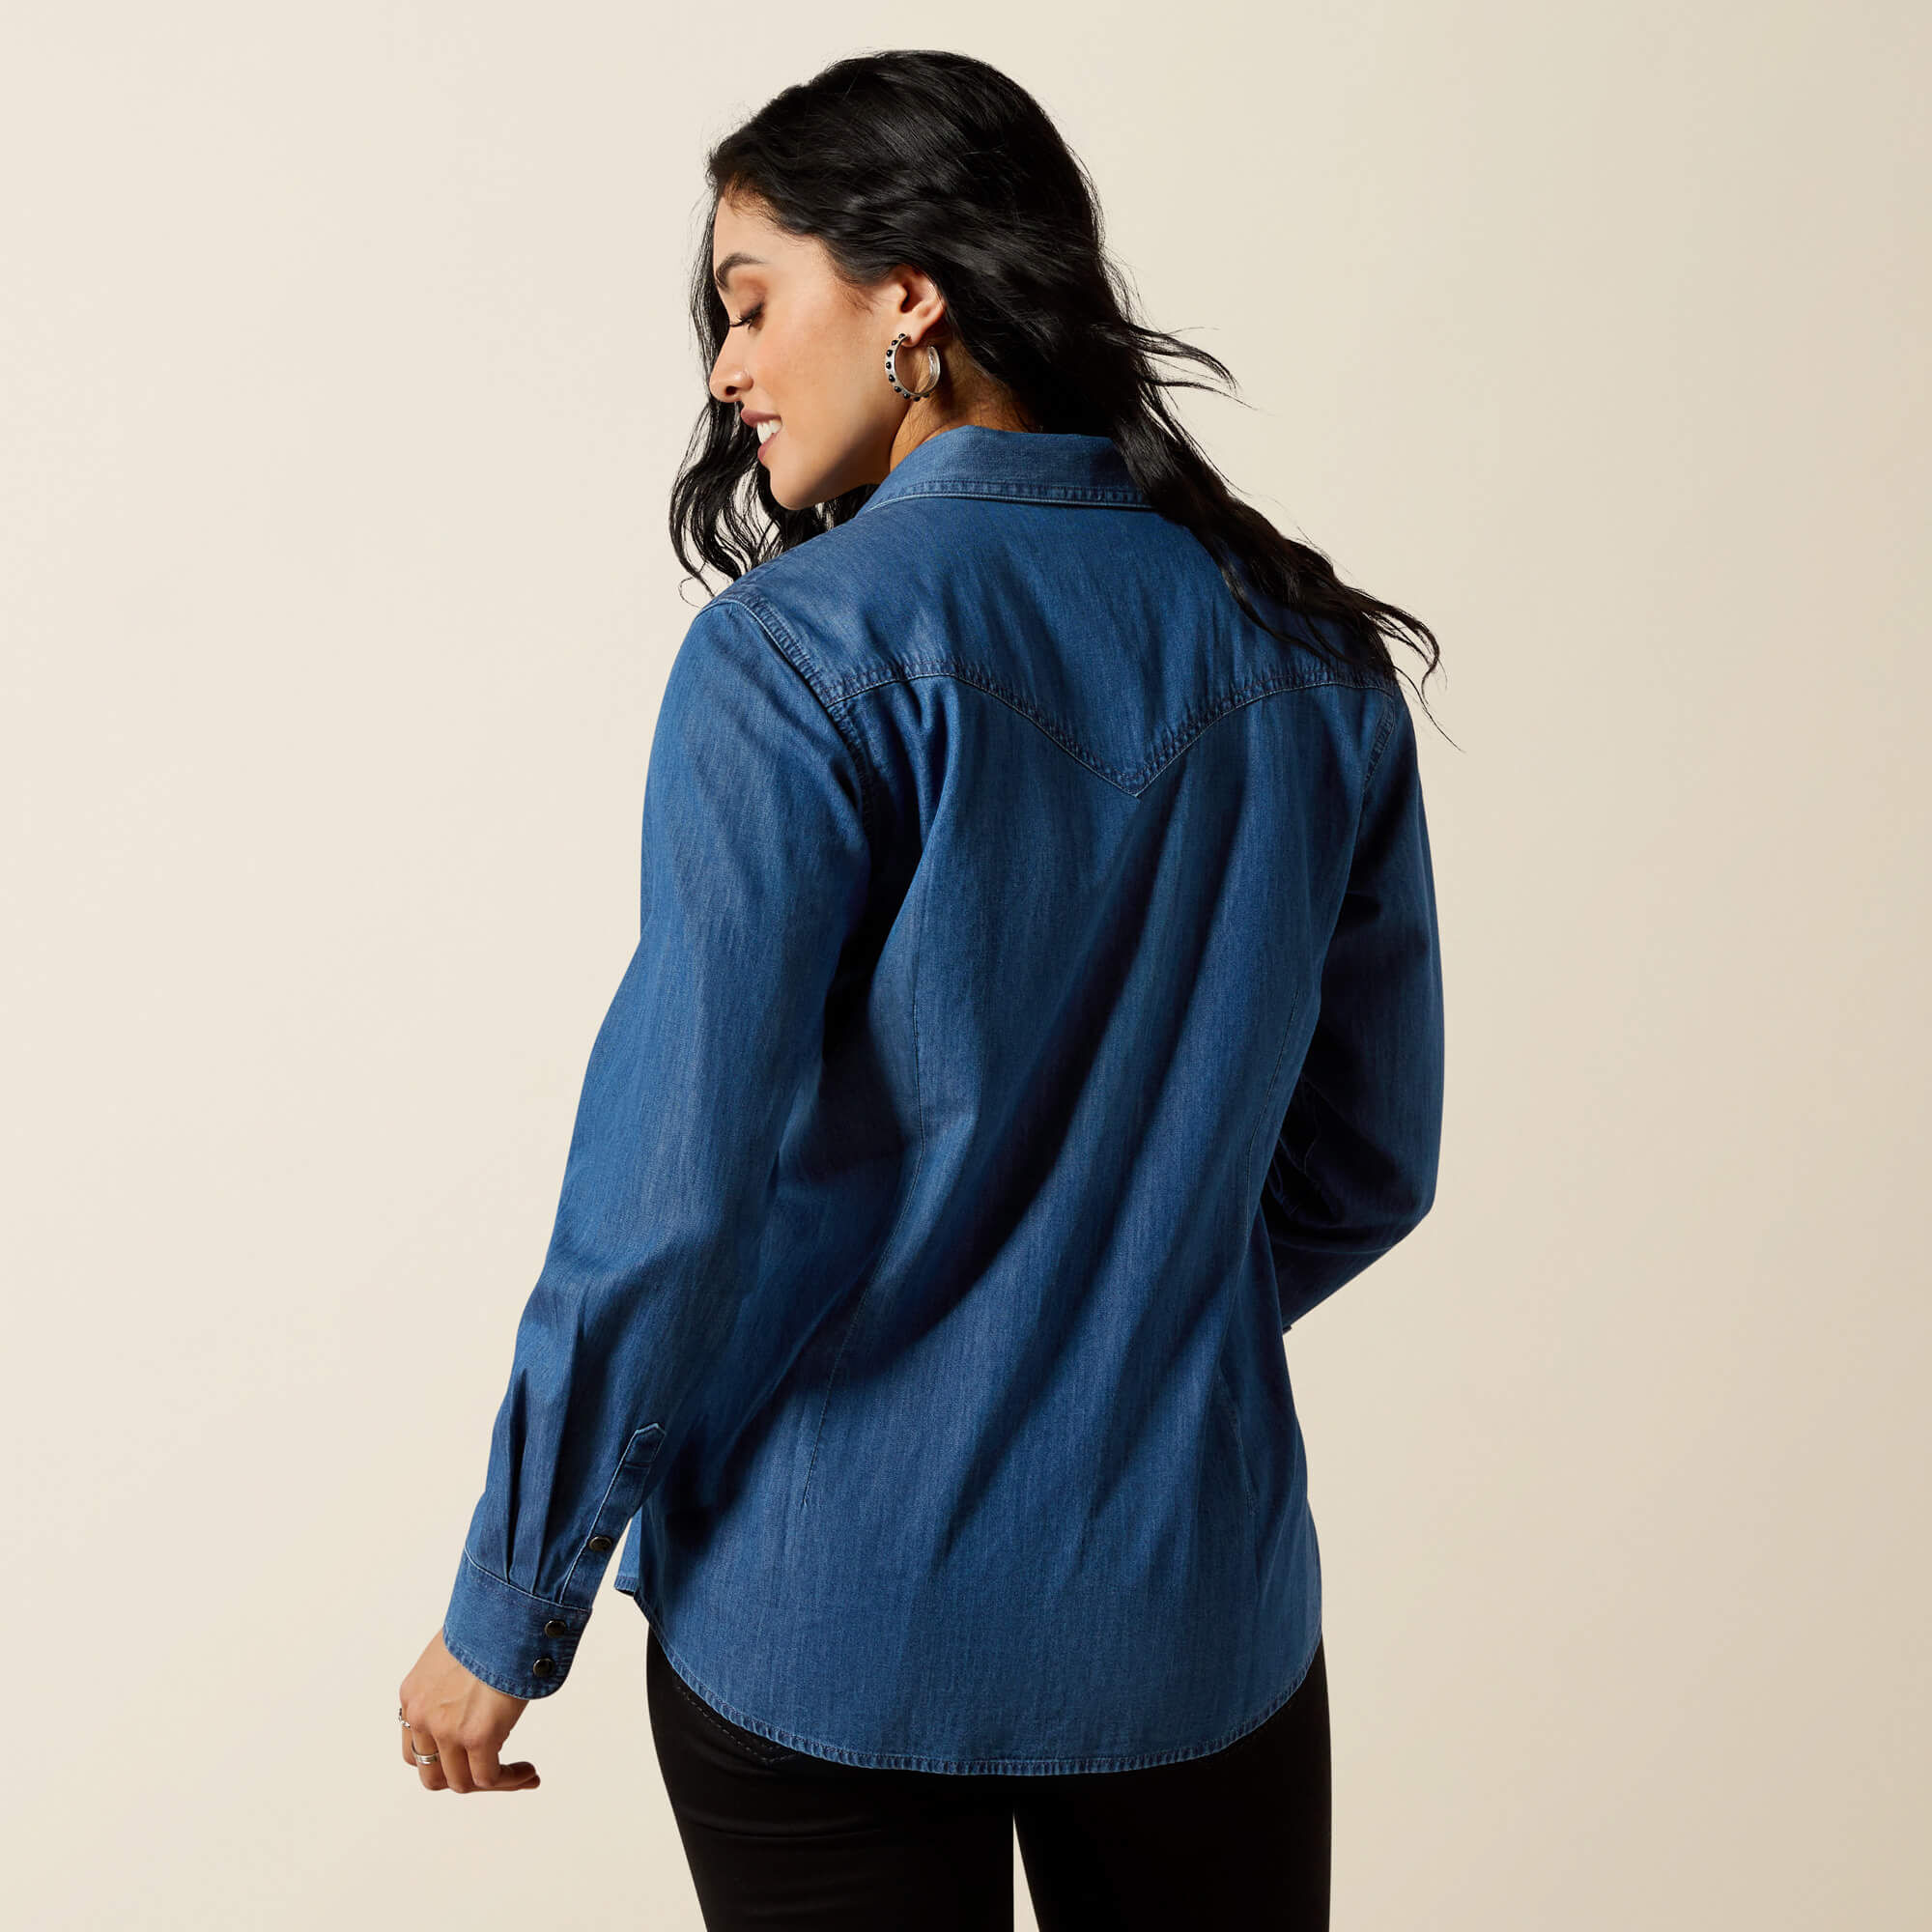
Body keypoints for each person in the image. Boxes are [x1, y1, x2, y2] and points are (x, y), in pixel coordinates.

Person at [397, 48, 1446, 1931]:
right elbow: (1368, 1165)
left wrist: (511, 1596)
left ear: (909, 300)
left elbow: (667, 1197)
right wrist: (1118, 1317)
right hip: (1194, 1619)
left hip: (829, 1616)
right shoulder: (1311, 655)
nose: (725, 369)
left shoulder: (792, 658)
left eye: (749, 302)